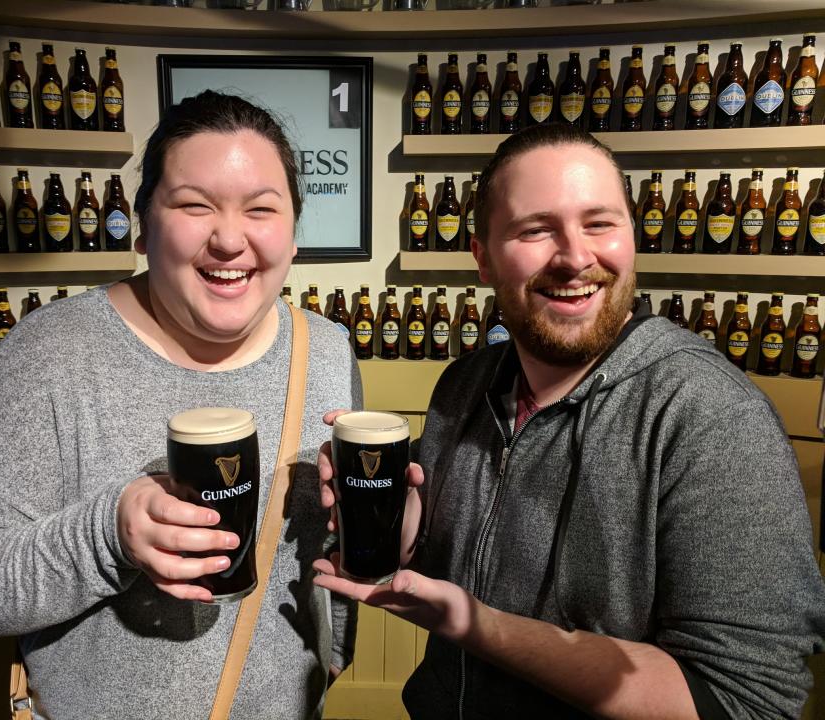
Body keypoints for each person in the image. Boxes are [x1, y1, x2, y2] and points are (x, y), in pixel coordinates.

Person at [315, 123, 825, 719]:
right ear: (482, 258)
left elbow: (744, 701)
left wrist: (477, 626)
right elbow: (445, 554)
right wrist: (393, 522)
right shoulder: (466, 386)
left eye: (600, 223)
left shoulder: (710, 417)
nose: (577, 256)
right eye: (536, 229)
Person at [0, 91, 360, 719]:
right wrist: (111, 534)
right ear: (142, 224)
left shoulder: (325, 349)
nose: (229, 239)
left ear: (293, 233)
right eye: (194, 205)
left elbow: (325, 540)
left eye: (261, 210)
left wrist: (334, 652)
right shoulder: (51, 352)